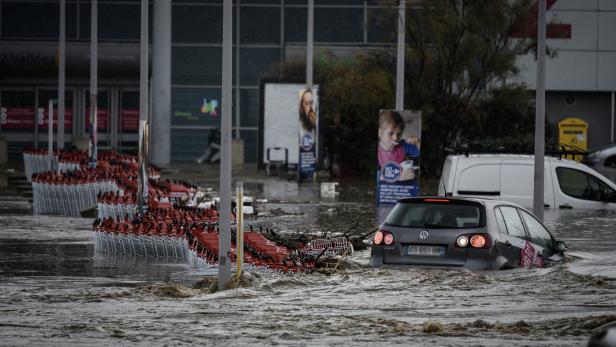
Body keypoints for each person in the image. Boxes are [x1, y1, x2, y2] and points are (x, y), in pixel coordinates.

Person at [378, 110, 420, 182]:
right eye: (391, 133)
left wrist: (418, 143)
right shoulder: (378, 152)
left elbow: (418, 152)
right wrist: (397, 177)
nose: (395, 138)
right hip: (385, 189)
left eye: (398, 134)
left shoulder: (403, 146)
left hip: (404, 186)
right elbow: (378, 175)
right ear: (380, 133)